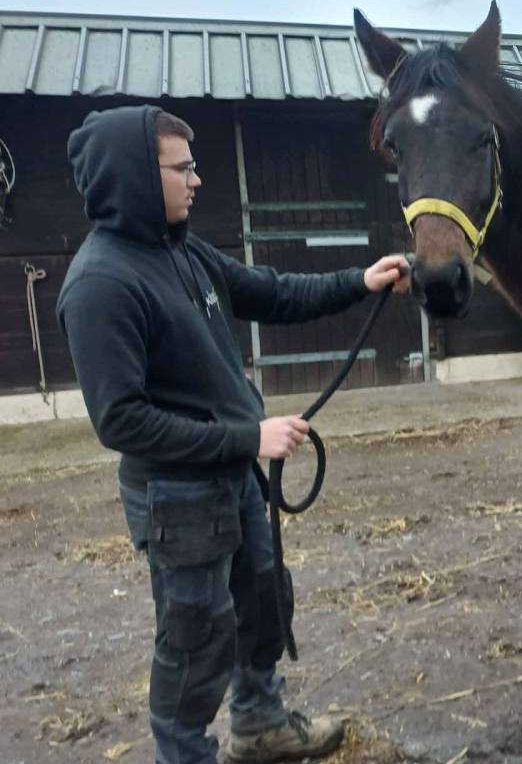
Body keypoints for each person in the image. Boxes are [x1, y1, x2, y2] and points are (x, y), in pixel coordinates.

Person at [56, 105, 409, 764]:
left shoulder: (183, 251)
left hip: (232, 477)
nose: (196, 180)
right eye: (181, 168)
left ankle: (259, 726)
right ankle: (183, 754)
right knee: (195, 637)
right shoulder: (100, 284)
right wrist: (248, 439)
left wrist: (359, 283)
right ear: (136, 176)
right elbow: (120, 421)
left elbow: (271, 293)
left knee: (262, 602)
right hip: (178, 497)